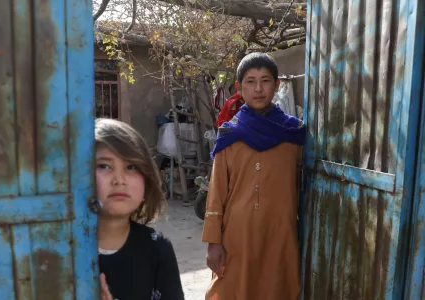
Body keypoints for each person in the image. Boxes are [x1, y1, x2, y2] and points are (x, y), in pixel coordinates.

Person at [202, 52, 306, 300]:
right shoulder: (228, 134)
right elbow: (216, 193)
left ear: (277, 85)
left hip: (281, 233)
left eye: (265, 80)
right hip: (237, 236)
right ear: (239, 88)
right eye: (250, 81)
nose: (258, 89)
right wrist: (213, 242)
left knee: (277, 289)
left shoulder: (295, 133)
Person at [95, 118, 185, 300]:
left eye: (131, 167)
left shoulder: (157, 250)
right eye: (104, 166)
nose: (119, 180)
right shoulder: (58, 249)